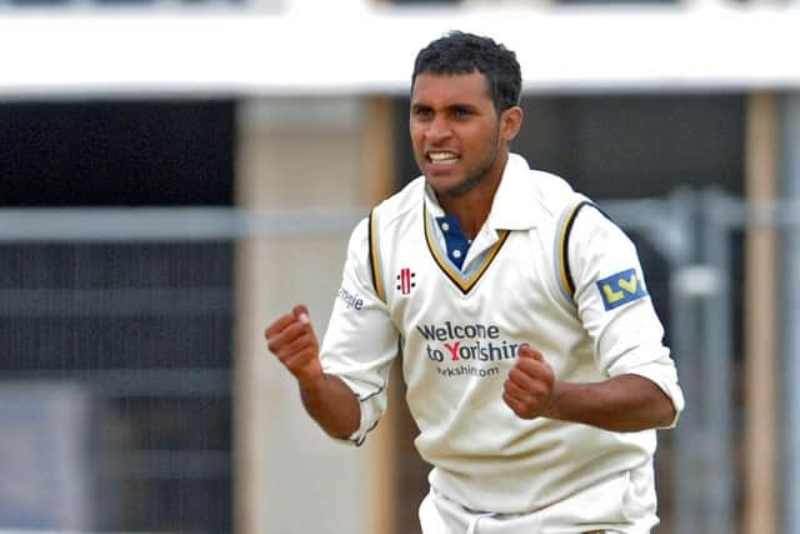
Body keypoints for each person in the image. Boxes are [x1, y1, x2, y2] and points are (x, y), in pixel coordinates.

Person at [265, 31, 684, 534]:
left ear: (509, 123)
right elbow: (348, 416)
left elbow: (657, 397)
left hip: (589, 515)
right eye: (423, 114)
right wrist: (312, 379)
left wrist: (556, 399)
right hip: (458, 518)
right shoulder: (381, 237)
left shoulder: (574, 232)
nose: (436, 133)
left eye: (460, 114)